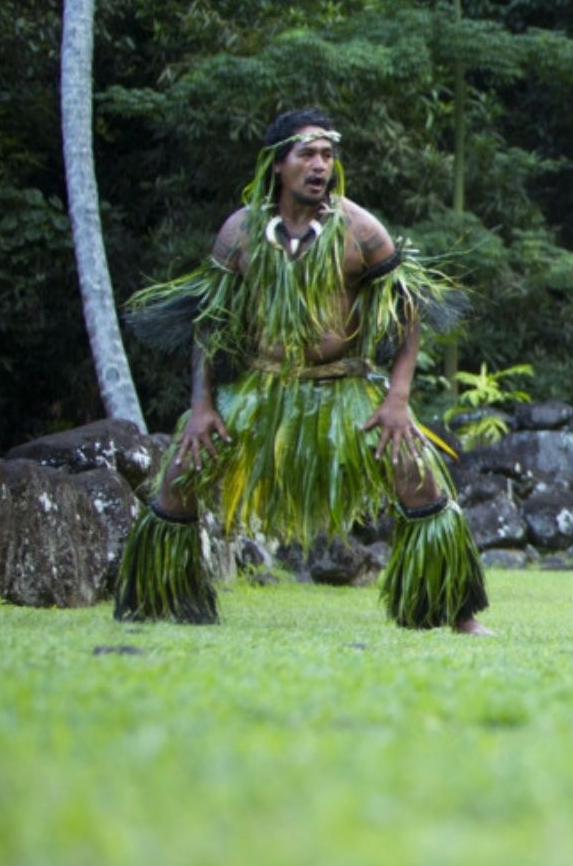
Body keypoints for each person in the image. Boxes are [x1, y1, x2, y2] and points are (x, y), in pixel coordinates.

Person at [119, 109, 484, 631]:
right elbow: (210, 323)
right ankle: (160, 602)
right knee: (180, 471)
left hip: (344, 389)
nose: (320, 166)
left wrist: (397, 397)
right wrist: (202, 406)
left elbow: (408, 315)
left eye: (328, 156)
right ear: (277, 164)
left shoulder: (360, 230)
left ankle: (456, 614)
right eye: (307, 155)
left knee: (416, 473)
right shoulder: (240, 232)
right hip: (261, 389)